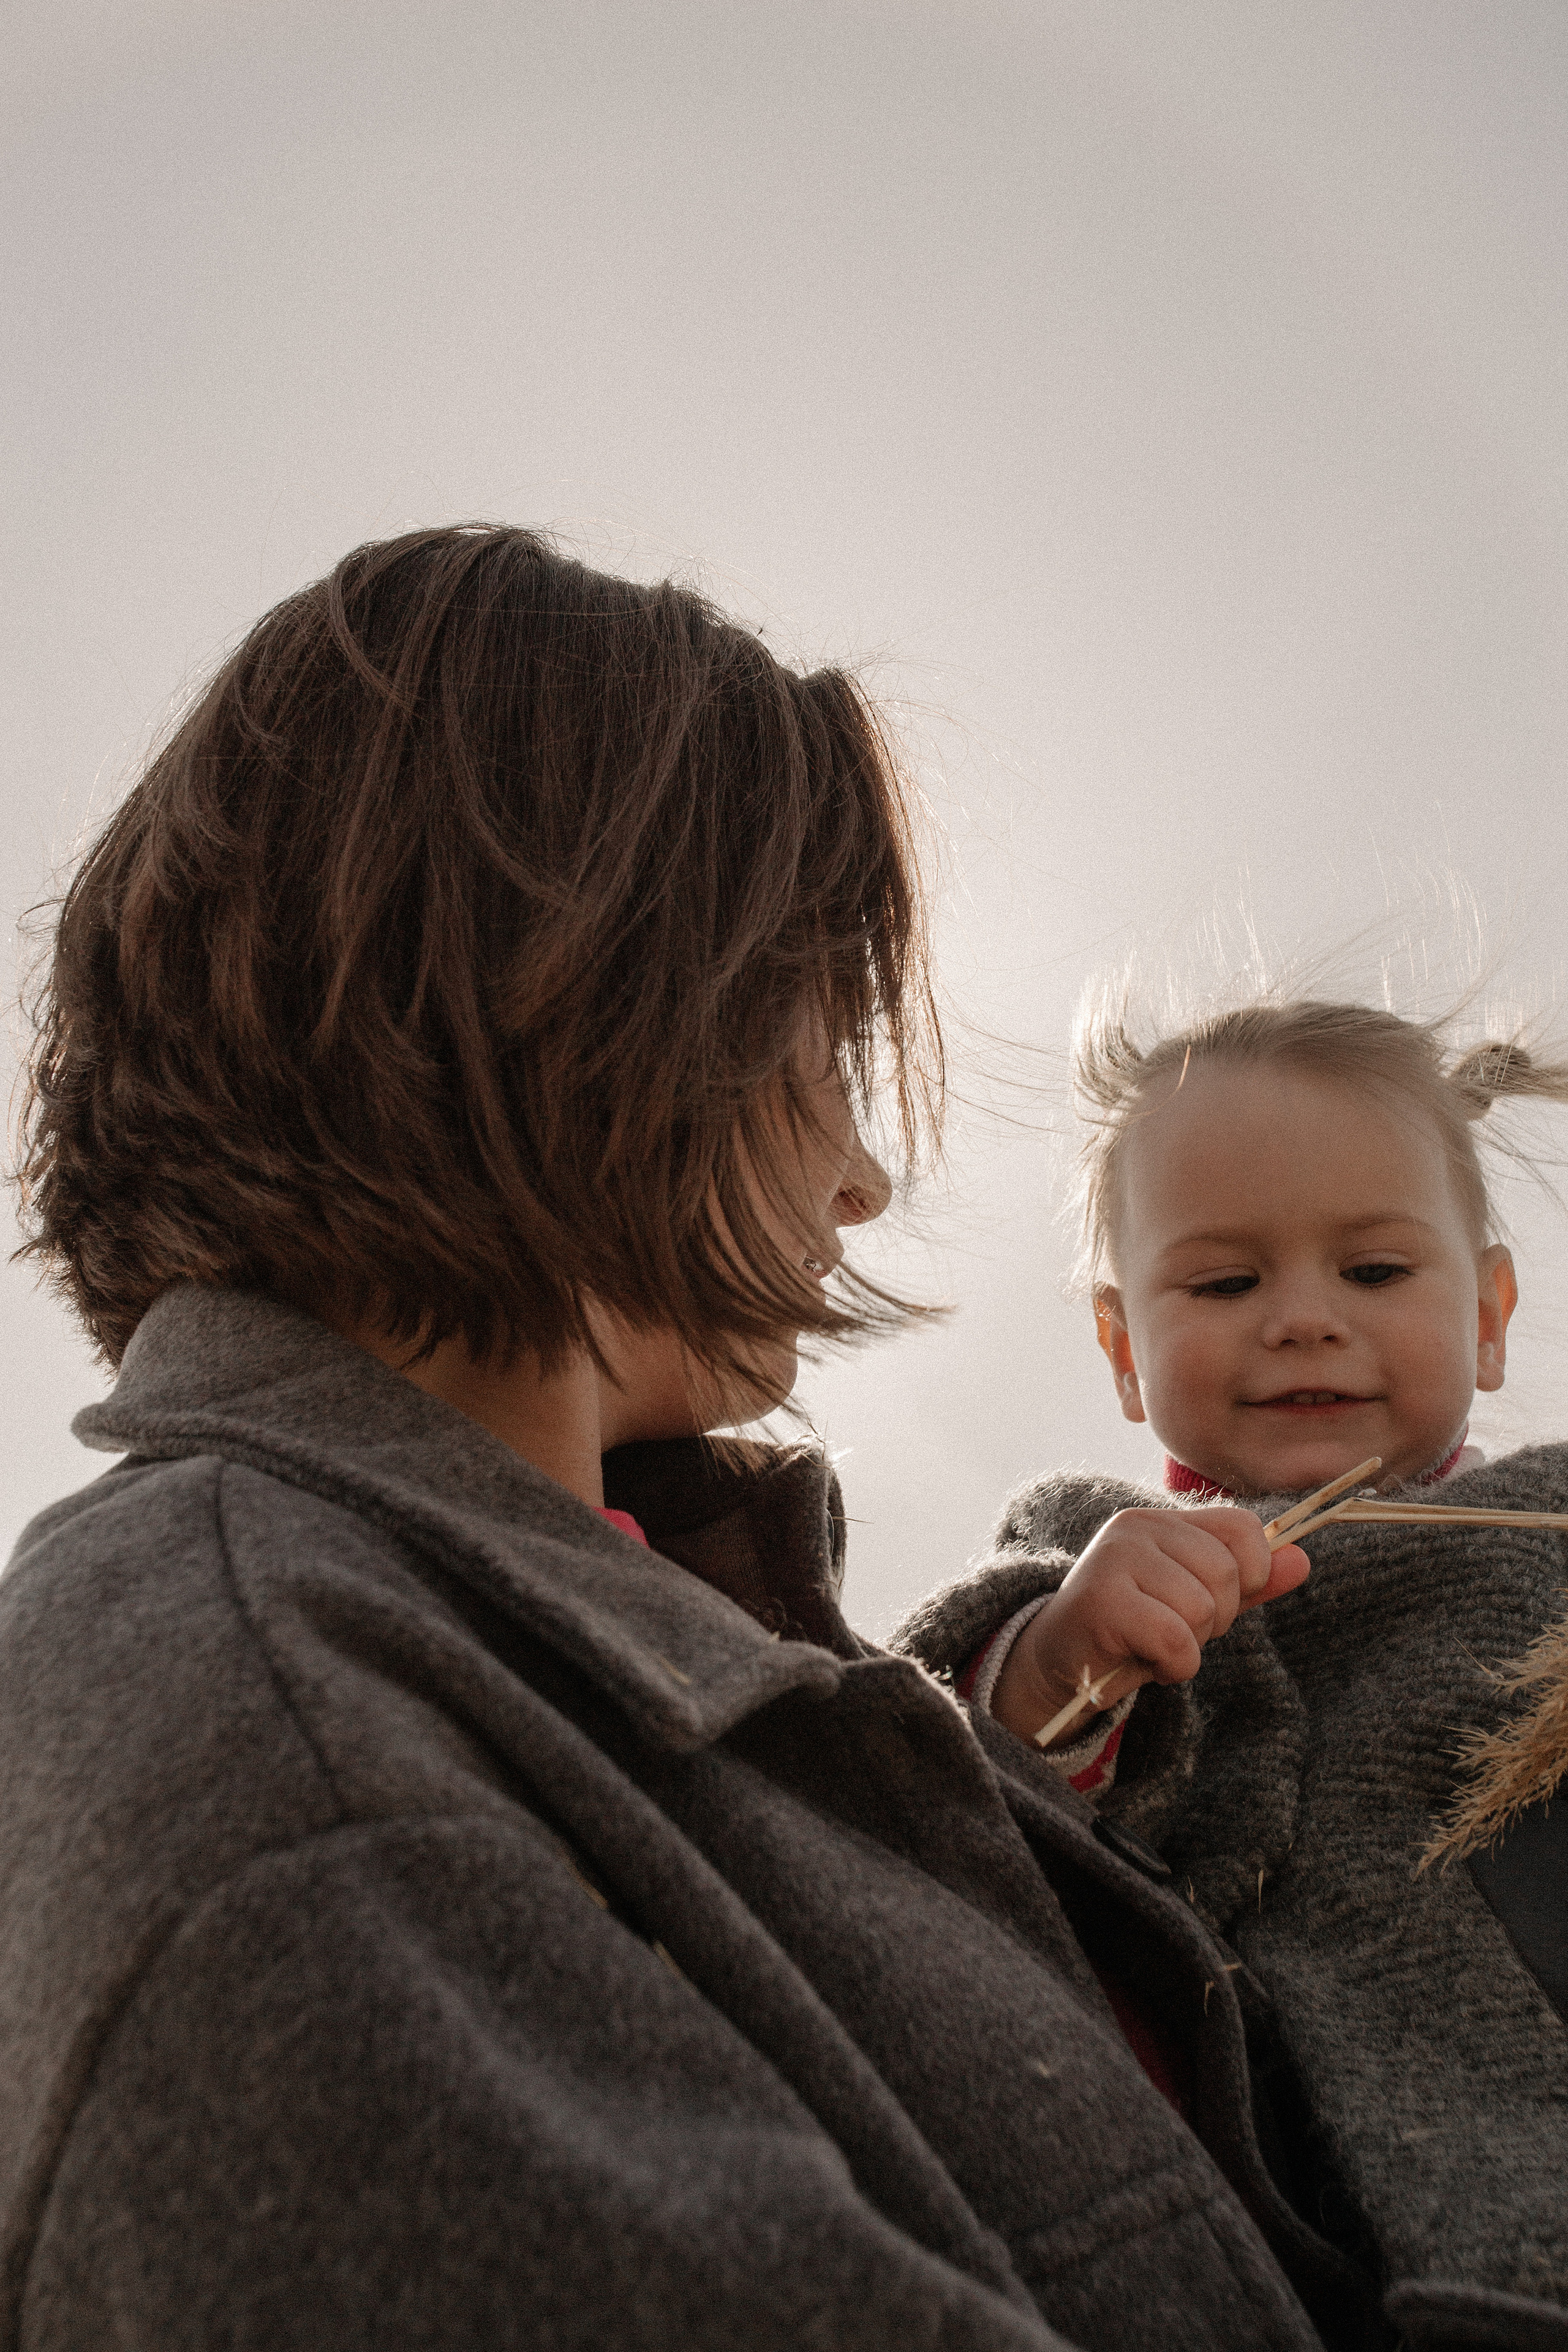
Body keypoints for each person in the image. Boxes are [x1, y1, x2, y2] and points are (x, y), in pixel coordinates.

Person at [4, 526, 1363, 2351]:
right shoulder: (258, 1687)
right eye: (821, 1036)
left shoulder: (628, 1643)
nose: (861, 1175)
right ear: (578, 1000)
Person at [895, 994, 1568, 2345]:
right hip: (1266, 2210)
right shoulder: (1093, 1555)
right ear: (1121, 1348)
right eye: (1223, 1284)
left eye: (1373, 1271)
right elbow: (937, 1780)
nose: (1302, 1319)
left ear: (1489, 1316)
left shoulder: (1547, 1532)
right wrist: (1060, 1660)